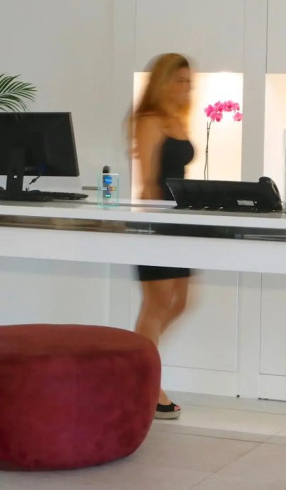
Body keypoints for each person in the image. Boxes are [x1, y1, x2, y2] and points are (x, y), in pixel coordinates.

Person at [130, 53, 195, 420]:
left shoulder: (178, 119)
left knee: (180, 302)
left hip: (183, 222)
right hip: (158, 223)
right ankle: (147, 385)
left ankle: (135, 364)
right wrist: (156, 228)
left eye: (189, 82)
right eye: (179, 80)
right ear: (162, 82)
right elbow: (149, 183)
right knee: (155, 305)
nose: (185, 87)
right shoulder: (149, 120)